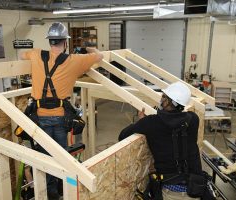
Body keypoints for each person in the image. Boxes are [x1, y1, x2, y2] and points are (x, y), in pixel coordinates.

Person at [20, 22, 103, 200]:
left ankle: (48, 191)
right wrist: (90, 48)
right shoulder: (74, 60)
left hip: (39, 117)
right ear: (65, 42)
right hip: (60, 118)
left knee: (45, 158)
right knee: (61, 156)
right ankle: (61, 190)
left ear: (50, 41)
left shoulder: (36, 54)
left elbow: (21, 55)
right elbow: (100, 57)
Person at [119, 82, 202, 200]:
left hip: (171, 191)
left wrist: (140, 122)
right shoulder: (193, 119)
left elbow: (122, 135)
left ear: (168, 102)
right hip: (195, 188)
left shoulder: (150, 122)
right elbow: (175, 122)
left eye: (163, 96)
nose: (161, 98)